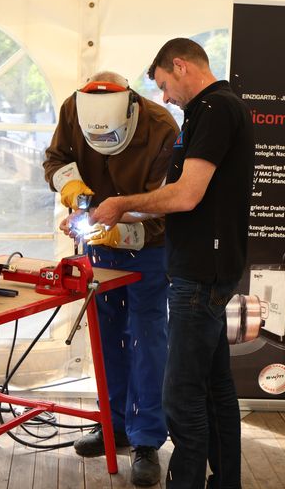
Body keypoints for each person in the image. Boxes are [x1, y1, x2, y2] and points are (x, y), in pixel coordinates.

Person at [90, 39, 255, 489]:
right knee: (215, 387)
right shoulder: (205, 112)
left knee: (181, 396)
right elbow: (172, 198)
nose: (164, 97)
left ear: (180, 66)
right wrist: (112, 213)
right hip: (204, 271)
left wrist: (123, 202)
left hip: (200, 276)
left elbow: (186, 195)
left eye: (164, 85)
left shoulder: (216, 110)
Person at [43, 71, 179, 486]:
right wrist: (74, 193)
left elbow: (165, 205)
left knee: (146, 339)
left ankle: (146, 440)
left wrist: (119, 228)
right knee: (107, 337)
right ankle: (113, 424)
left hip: (149, 247)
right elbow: (55, 160)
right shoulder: (73, 109)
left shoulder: (161, 127)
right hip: (99, 250)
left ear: (132, 110)